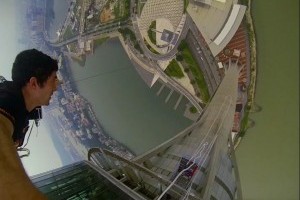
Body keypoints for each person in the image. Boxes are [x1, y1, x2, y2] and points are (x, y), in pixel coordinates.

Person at [0, 49, 59, 199]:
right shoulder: (7, 101)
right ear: (33, 83)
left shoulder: (23, 110)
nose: (56, 86)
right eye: (53, 79)